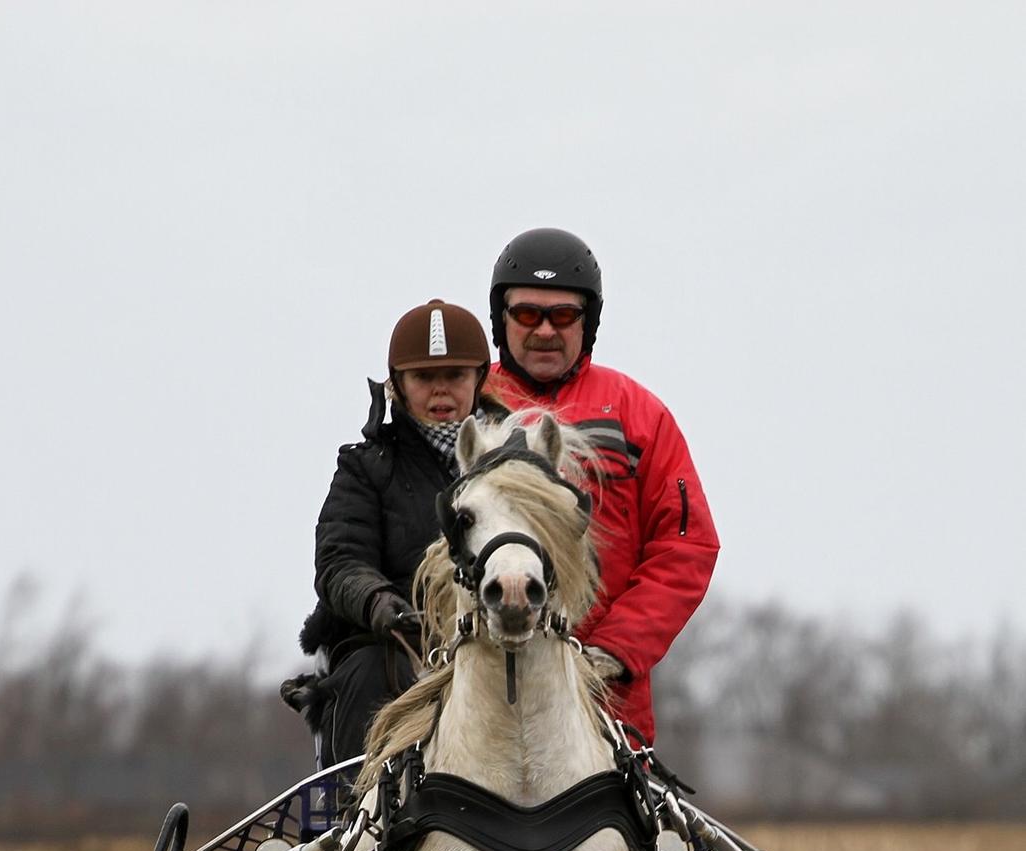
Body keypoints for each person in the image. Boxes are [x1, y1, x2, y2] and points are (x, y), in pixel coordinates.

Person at [485, 227, 720, 745]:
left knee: (646, 831)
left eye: (563, 316)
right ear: (501, 319)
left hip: (603, 704)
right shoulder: (465, 407)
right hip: (480, 694)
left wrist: (614, 650)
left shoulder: (641, 417)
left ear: (587, 323)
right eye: (527, 314)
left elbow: (688, 546)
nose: (545, 330)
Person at [283, 298, 491, 766]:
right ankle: (356, 819)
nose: (441, 392)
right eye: (423, 378)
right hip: (392, 645)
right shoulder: (364, 467)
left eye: (455, 376)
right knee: (369, 673)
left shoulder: (510, 465)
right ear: (397, 385)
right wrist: (378, 602)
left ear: (480, 379)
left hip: (495, 632)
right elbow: (339, 560)